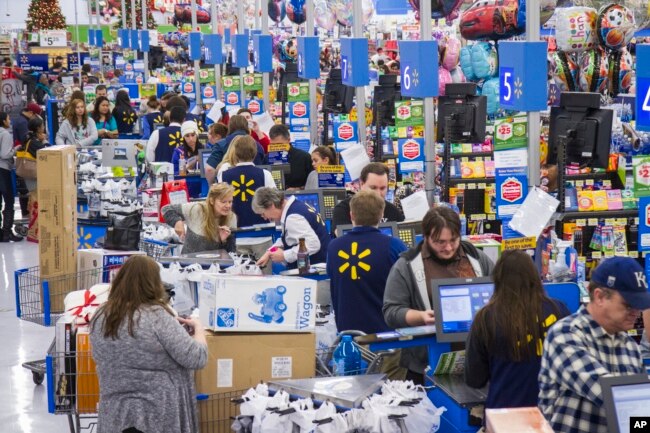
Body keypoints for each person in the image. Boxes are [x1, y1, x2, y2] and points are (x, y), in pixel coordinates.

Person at [89, 255, 208, 433]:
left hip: (114, 413)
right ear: (153, 283)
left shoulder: (100, 315)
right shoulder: (156, 316)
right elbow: (196, 357)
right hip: (158, 414)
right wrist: (198, 328)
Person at [538, 256, 650, 433]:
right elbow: (606, 391)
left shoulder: (630, 347)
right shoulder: (565, 335)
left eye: (640, 306)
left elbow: (638, 416)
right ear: (599, 296)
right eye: (628, 305)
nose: (636, 313)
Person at [383, 206, 494, 383]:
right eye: (440, 242)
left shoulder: (477, 260)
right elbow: (391, 312)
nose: (448, 247)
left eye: (453, 240)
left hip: (476, 361)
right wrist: (420, 317)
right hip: (425, 365)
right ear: (426, 237)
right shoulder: (407, 265)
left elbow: (500, 295)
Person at [465, 250, 570, 410]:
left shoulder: (486, 318)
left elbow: (474, 379)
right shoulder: (559, 310)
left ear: (498, 280)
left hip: (505, 417)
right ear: (535, 277)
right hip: (551, 413)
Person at [328, 190, 407, 334]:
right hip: (386, 337)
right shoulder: (394, 246)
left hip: (348, 337)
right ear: (381, 215)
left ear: (351, 215)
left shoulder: (334, 247)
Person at [253, 187, 330, 269]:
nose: (265, 218)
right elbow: (289, 237)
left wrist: (284, 256)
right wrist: (269, 251)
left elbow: (313, 244)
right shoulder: (296, 207)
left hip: (315, 271)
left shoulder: (293, 218)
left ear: (271, 205)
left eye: (263, 213)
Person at [331, 162, 404, 237]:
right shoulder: (343, 209)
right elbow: (341, 237)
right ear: (361, 184)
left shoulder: (392, 211)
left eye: (382, 188)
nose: (378, 193)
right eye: (373, 188)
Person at [162, 183, 237, 254]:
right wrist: (177, 222)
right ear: (212, 201)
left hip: (214, 265)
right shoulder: (197, 209)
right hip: (189, 263)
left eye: (230, 202)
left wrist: (223, 241)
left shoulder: (231, 218)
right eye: (223, 202)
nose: (228, 206)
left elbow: (231, 253)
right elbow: (166, 209)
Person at [219, 136, 276, 227]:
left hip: (235, 233)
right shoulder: (265, 174)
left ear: (236, 153)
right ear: (255, 153)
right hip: (263, 232)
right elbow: (274, 203)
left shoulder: (223, 175)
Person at [205, 115, 267, 183]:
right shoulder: (257, 146)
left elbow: (209, 170)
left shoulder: (221, 144)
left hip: (228, 189)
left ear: (229, 127)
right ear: (247, 127)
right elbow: (263, 168)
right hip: (255, 189)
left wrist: (212, 186)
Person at [268, 124, 313, 190]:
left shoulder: (304, 158)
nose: (277, 148)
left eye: (280, 144)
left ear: (288, 140)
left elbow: (312, 184)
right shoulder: (267, 158)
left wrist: (298, 189)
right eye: (273, 145)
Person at [0, 112, 22, 242]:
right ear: (3, 121)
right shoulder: (6, 134)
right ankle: (7, 232)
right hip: (3, 169)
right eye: (8, 118)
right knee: (9, 201)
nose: (10, 121)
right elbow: (5, 154)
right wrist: (16, 149)